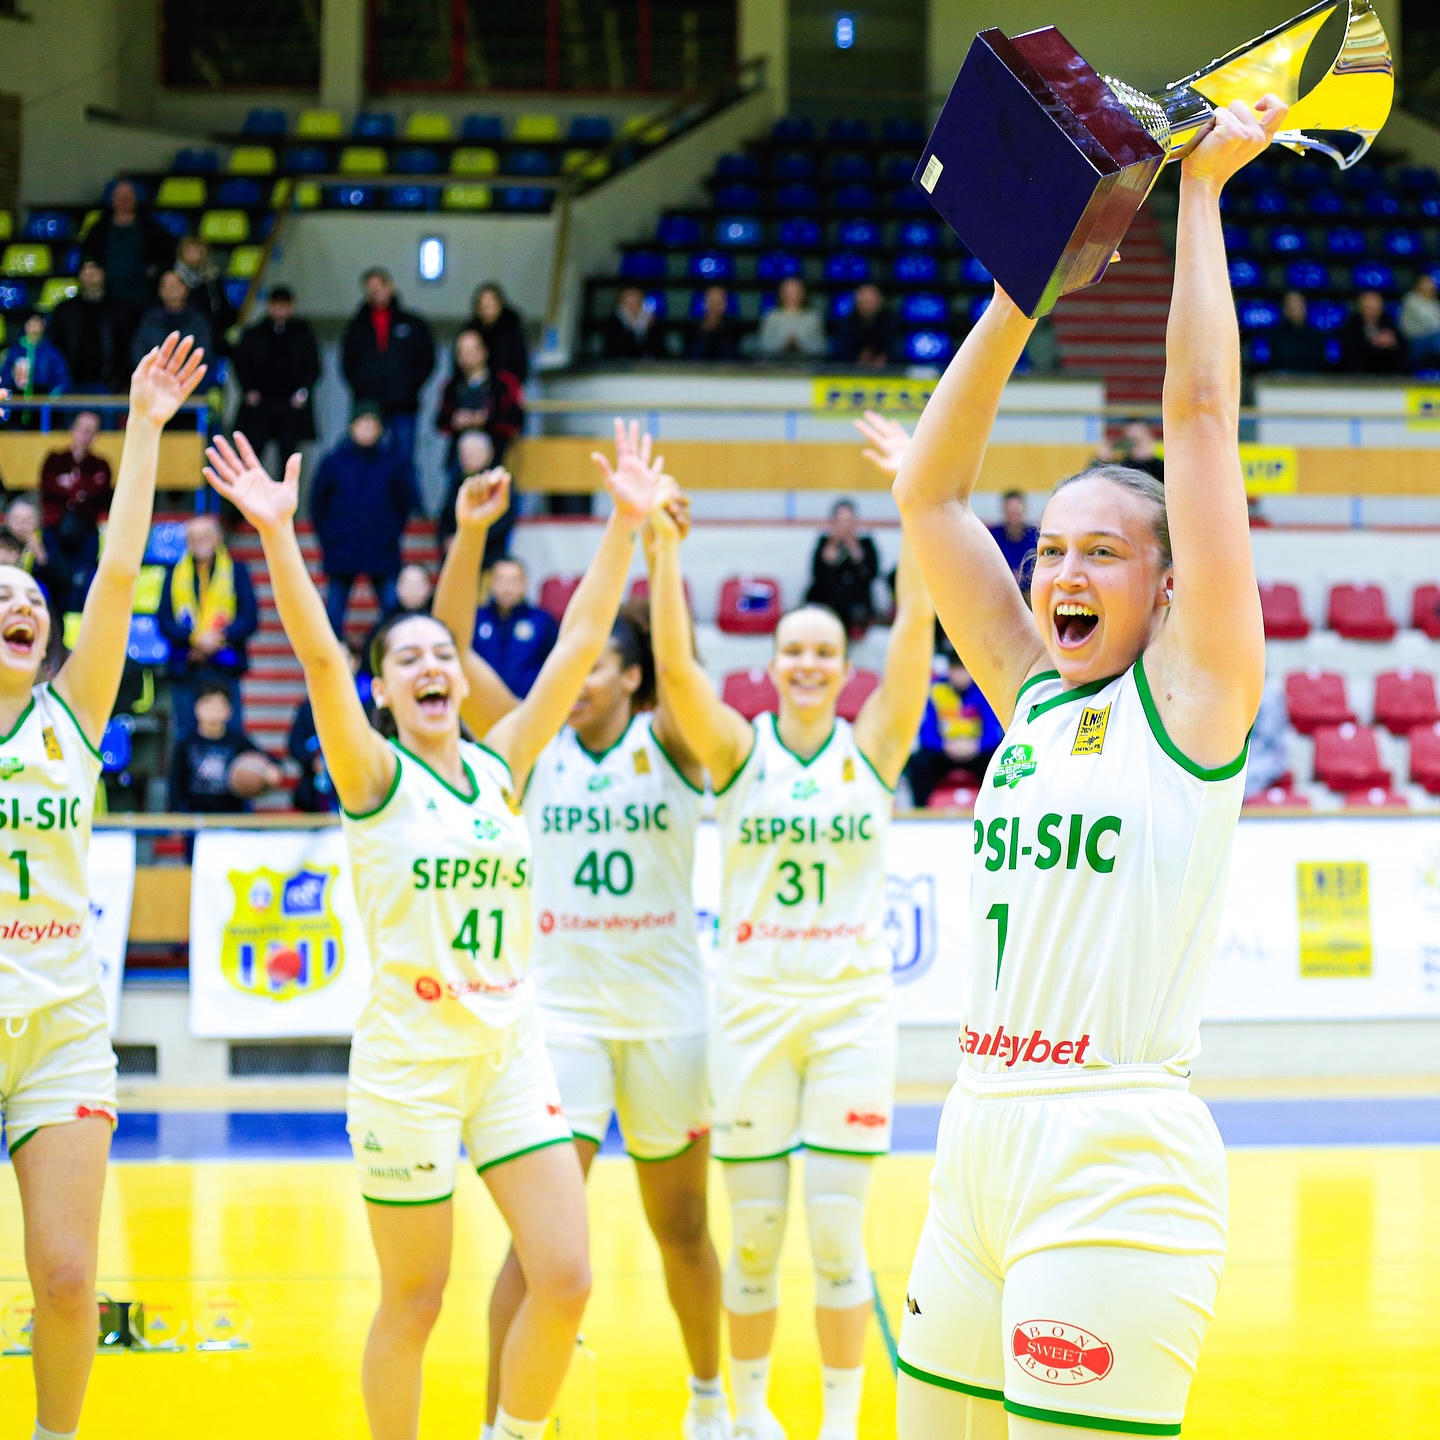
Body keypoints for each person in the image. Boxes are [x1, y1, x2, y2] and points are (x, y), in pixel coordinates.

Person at [890, 96, 1280, 1440]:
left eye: (1101, 552)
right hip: (973, 1143)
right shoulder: (1032, 698)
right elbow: (930, 497)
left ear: (1168, 588)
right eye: (1050, 549)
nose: (1061, 570)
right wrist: (1021, 290)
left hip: (1115, 1158)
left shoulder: (1195, 698)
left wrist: (1203, 196)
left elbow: (1201, 419)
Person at [200, 418, 668, 1440]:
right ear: (385, 689)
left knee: (567, 1278)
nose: (430, 664)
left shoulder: (504, 762)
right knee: (415, 1300)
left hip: (508, 1052)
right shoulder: (373, 774)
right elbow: (318, 660)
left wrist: (625, 524)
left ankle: (511, 1434)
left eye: (442, 653)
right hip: (409, 1064)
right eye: (407, 656)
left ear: (460, 676)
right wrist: (277, 532)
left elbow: (577, 644)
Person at [432, 428, 729, 1440]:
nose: (581, 676)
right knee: (539, 1246)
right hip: (560, 1024)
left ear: (634, 680)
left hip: (668, 1019)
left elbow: (682, 664)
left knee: (681, 1228)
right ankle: (501, 1425)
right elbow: (448, 652)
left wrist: (661, 550)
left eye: (599, 662)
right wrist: (470, 537)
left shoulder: (674, 738)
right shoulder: (530, 745)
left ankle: (708, 1399)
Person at [649, 410, 935, 1440]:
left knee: (839, 1235)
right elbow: (676, 676)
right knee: (758, 1236)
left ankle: (842, 1426)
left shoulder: (876, 745)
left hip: (851, 1014)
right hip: (754, 1010)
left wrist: (914, 501)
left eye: (824, 652)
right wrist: (661, 550)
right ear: (772, 665)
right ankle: (750, 1416)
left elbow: (918, 623)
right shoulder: (739, 749)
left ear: (843, 664)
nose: (808, 664)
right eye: (793, 652)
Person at [0, 333, 206, 1440]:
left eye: (31, 596)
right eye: (2, 595)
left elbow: (118, 573)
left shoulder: (71, 715)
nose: (22, 606)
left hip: (62, 1023)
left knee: (70, 1275)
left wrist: (142, 427)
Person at [309, 401, 420, 638]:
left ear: (380, 428)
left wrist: (391, 532)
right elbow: (317, 503)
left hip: (382, 548)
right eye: (362, 423)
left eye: (372, 424)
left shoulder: (393, 462)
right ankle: (332, 655)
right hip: (342, 547)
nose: (367, 429)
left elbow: (404, 501)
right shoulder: (334, 461)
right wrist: (329, 538)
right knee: (334, 614)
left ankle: (397, 649)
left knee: (393, 613)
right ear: (352, 426)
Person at [156, 511, 259, 732]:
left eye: (204, 536)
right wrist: (196, 639)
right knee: (186, 734)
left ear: (217, 537)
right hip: (187, 665)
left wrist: (217, 638)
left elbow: (249, 618)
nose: (198, 542)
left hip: (226, 664)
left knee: (231, 732)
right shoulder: (174, 573)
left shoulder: (236, 570)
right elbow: (164, 620)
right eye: (193, 538)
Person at [341, 267, 436, 464]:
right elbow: (347, 364)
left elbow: (427, 359)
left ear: (390, 287)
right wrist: (362, 388)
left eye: (380, 286)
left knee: (403, 459)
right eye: (370, 288)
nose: (376, 291)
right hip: (367, 406)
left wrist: (409, 386)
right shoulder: (356, 326)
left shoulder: (413, 323)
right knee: (362, 459)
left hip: (403, 405)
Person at [904, 640, 1004, 807]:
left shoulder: (984, 689)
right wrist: (944, 746)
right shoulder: (935, 689)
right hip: (944, 751)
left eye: (963, 668)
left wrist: (977, 746)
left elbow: (994, 729)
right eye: (955, 668)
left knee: (997, 762)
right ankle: (921, 810)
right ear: (949, 669)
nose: (960, 674)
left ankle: (995, 808)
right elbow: (926, 732)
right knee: (918, 762)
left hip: (977, 751)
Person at [78, 180, 171, 353]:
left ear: (135, 199)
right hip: (107, 302)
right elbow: (86, 259)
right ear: (112, 200)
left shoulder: (150, 227)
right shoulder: (99, 229)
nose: (124, 200)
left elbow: (169, 252)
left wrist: (156, 268)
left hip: (143, 300)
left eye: (128, 196)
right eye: (120, 196)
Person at [233, 286, 320, 469]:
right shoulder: (254, 333)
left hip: (290, 404)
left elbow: (313, 367)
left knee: (289, 455)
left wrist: (302, 392)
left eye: (284, 306)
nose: (280, 311)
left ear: (291, 307)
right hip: (260, 403)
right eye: (276, 306)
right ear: (269, 307)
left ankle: (286, 487)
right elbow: (241, 364)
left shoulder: (303, 334)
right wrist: (248, 390)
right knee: (253, 452)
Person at [39, 410, 112, 612]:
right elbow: (48, 486)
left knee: (82, 582)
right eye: (82, 429)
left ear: (96, 435)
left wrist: (70, 485)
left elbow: (100, 491)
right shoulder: (55, 459)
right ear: (73, 429)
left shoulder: (100, 464)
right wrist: (82, 489)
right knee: (54, 579)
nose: (85, 435)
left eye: (91, 431)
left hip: (85, 531)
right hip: (55, 529)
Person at [167, 683, 280, 813]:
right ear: (196, 708)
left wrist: (271, 770)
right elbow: (175, 782)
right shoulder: (186, 743)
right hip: (195, 814)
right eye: (207, 704)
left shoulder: (237, 741)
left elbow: (270, 760)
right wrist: (174, 813)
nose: (212, 711)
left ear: (228, 711)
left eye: (218, 706)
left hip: (230, 814)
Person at [288, 641, 372, 814]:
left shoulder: (371, 704)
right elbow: (294, 744)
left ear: (355, 662)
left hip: (362, 785)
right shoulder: (309, 705)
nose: (337, 664)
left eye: (342, 658)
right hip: (317, 791)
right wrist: (313, 760)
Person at [436, 327, 525, 475]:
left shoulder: (502, 384)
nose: (468, 356)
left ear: (484, 351)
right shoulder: (451, 387)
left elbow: (516, 419)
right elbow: (440, 422)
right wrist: (455, 420)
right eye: (463, 351)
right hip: (460, 456)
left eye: (473, 350)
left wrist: (486, 419)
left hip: (495, 454)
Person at [472, 556, 559, 698]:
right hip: (482, 703)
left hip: (529, 704)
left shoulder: (542, 620)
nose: (507, 588)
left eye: (514, 581)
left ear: (524, 583)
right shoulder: (476, 619)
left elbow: (555, 664)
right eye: (501, 580)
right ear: (491, 583)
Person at [49, 260, 124, 395]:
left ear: (103, 273)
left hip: (108, 386)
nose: (89, 273)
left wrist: (117, 380)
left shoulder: (118, 310)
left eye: (94, 268)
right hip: (71, 384)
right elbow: (55, 346)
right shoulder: (64, 310)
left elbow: (124, 349)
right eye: (85, 269)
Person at [806, 499, 879, 635]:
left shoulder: (866, 544)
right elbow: (816, 576)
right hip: (828, 600)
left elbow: (871, 575)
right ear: (832, 523)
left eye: (849, 521)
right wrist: (829, 557)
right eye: (840, 521)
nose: (845, 526)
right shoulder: (823, 543)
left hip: (856, 602)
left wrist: (857, 555)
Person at [131, 271, 214, 367]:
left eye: (176, 284)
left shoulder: (198, 320)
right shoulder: (149, 319)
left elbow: (204, 353)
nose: (171, 289)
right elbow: (138, 350)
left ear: (186, 289)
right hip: (154, 372)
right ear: (160, 291)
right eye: (166, 285)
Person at [5, 495, 69, 614]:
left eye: (28, 520)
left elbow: (63, 581)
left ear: (38, 522)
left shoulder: (47, 540)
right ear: (7, 520)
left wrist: (40, 553)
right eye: (17, 519)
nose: (21, 524)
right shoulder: (3, 539)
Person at [174, 235, 235, 356]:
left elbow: (224, 309)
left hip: (212, 334)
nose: (194, 256)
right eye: (190, 251)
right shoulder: (174, 279)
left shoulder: (212, 280)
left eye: (198, 251)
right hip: (183, 332)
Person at [0, 311, 71, 399]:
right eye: (31, 324)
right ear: (25, 326)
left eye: (37, 324)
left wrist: (51, 397)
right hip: (18, 399)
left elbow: (62, 379)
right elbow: (5, 378)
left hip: (43, 399)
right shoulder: (15, 351)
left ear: (43, 326)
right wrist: (9, 395)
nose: (34, 329)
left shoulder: (51, 352)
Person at [1338, 288, 1407, 375]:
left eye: (1374, 308)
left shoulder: (1387, 321)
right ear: (1360, 307)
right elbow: (1350, 350)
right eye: (1368, 308)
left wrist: (1393, 343)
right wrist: (1373, 343)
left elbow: (1403, 344)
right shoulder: (1351, 325)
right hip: (1360, 372)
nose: (1371, 312)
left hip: (1386, 371)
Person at [473, 281, 531, 383]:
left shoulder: (512, 330)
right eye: (483, 306)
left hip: (507, 385)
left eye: (490, 306)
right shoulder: (472, 331)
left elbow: (521, 367)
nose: (487, 311)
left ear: (500, 306)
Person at [757, 278, 826, 360]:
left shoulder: (813, 318)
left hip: (807, 363)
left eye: (796, 292)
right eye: (788, 293)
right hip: (776, 364)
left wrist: (800, 344)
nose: (792, 296)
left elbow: (820, 347)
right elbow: (764, 345)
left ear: (803, 294)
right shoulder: (771, 317)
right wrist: (784, 344)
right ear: (781, 294)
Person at [831, 283, 897, 368]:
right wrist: (857, 359)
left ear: (879, 301)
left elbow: (895, 351)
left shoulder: (891, 322)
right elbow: (839, 355)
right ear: (856, 302)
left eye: (871, 302)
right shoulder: (845, 325)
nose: (867, 306)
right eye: (864, 302)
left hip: (888, 371)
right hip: (852, 371)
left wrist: (884, 358)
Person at [986, 490, 1040, 587]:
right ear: (1004, 512)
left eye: (1017, 513)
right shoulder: (992, 537)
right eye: (1010, 513)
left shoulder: (1035, 537)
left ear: (1024, 511)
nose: (1014, 518)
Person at [1269, 289, 1328, 372]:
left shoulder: (1316, 335)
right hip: (1283, 377)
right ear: (1285, 310)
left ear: (1305, 308)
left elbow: (1319, 363)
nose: (1296, 311)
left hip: (1311, 377)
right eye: (1291, 307)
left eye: (1299, 306)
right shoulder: (1276, 335)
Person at [601, 285, 665, 360]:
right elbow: (614, 349)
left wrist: (649, 329)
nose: (633, 301)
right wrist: (632, 328)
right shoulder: (612, 322)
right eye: (628, 297)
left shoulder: (652, 321)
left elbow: (660, 350)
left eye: (636, 296)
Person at [688, 285, 741, 361]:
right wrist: (707, 326)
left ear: (724, 304)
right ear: (705, 303)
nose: (715, 307)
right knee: (699, 345)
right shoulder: (694, 322)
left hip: (726, 359)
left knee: (725, 345)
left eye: (718, 303)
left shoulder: (733, 323)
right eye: (712, 302)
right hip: (698, 360)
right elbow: (689, 341)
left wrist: (716, 325)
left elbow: (735, 341)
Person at [1399, 272, 1440, 369]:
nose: (1430, 285)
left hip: (1432, 339)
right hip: (1414, 342)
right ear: (1418, 284)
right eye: (1426, 282)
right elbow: (1430, 324)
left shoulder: (1435, 303)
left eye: (1430, 282)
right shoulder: (1411, 300)